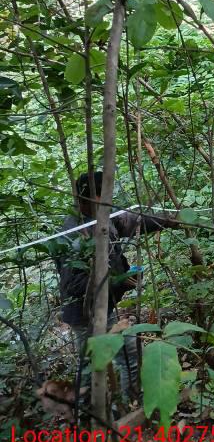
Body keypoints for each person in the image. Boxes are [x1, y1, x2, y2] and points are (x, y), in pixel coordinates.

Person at [57, 170, 180, 401]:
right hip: (85, 314)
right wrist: (118, 281)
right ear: (87, 199)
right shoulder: (73, 234)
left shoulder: (105, 214)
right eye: (104, 197)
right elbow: (75, 285)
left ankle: (130, 404)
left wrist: (169, 220)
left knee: (128, 355)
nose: (109, 202)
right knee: (93, 367)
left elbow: (132, 221)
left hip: (106, 307)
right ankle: (88, 415)